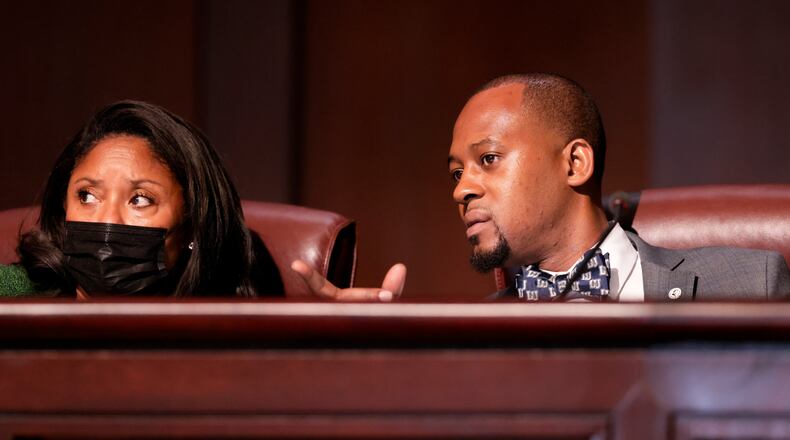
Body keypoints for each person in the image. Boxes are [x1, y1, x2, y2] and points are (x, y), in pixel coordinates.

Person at [293, 73, 790, 301]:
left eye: (487, 159)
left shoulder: (752, 283)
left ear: (575, 163)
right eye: (455, 173)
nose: (460, 190)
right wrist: (369, 355)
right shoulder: (474, 340)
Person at [0, 100, 280, 298]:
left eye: (140, 200)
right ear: (63, 208)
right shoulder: (14, 293)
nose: (107, 220)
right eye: (87, 196)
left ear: (192, 226)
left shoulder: (223, 326)